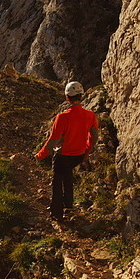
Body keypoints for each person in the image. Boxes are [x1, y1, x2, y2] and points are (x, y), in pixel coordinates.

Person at [35, 81, 99, 222]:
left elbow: (53, 141)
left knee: (57, 181)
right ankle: (69, 206)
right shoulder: (90, 115)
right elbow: (94, 135)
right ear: (81, 97)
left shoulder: (63, 117)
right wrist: (87, 151)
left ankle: (57, 213)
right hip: (79, 155)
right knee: (68, 176)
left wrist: (40, 155)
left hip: (63, 156)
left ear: (67, 98)